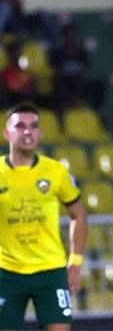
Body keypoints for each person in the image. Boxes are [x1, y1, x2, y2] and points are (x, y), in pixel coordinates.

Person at [0, 104, 87, 331]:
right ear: (7, 133)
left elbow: (78, 214)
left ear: (39, 133)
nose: (28, 131)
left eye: (34, 126)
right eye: (20, 126)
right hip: (6, 272)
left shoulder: (56, 172)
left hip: (51, 271)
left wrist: (75, 262)